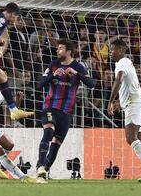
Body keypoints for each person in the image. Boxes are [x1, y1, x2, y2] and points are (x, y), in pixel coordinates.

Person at [36, 39, 96, 178]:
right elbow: (40, 84)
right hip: (50, 106)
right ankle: (40, 165)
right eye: (58, 48)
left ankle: (44, 171)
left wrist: (77, 74)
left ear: (69, 51)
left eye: (61, 48)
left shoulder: (78, 66)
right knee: (48, 131)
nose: (57, 50)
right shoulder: (53, 65)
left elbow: (92, 83)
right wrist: (52, 75)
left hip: (66, 112)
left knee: (57, 143)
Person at [107, 39, 141, 183]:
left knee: (131, 138)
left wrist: (110, 101)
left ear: (121, 50)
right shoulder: (124, 63)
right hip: (135, 101)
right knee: (139, 138)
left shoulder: (122, 62)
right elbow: (128, 85)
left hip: (134, 103)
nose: (110, 52)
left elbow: (118, 80)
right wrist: (120, 102)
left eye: (112, 49)